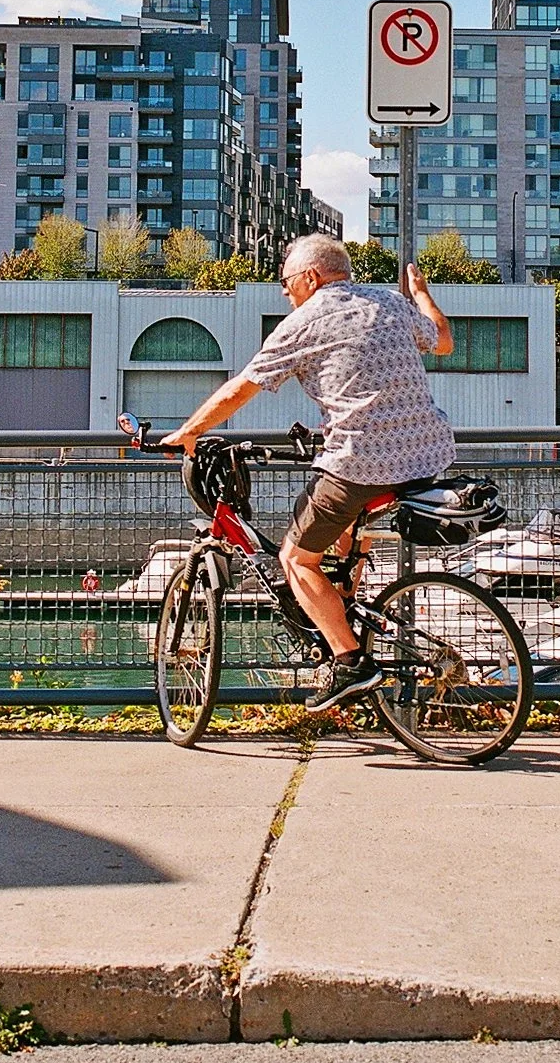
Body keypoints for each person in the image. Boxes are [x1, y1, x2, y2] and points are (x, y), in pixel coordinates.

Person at [163, 233, 454, 710]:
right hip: (428, 457)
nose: (283, 291)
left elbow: (244, 386)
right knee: (340, 540)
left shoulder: (304, 321)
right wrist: (420, 293)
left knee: (295, 560)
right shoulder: (390, 302)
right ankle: (341, 608)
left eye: (285, 281)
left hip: (362, 460)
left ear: (311, 277)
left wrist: (188, 431)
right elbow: (442, 341)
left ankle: (350, 662)